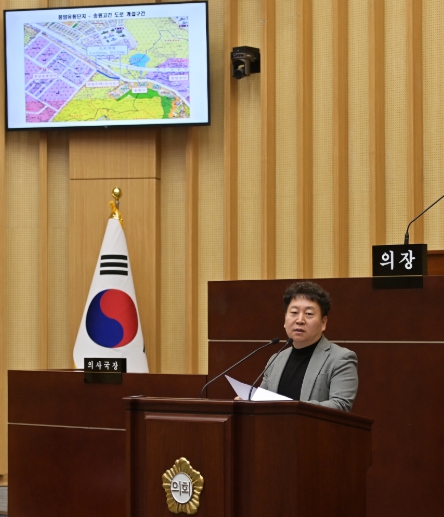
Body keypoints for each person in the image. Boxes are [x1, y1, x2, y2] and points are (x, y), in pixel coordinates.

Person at [260, 281, 358, 412]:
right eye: (294, 312)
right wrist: (247, 402)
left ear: (323, 322)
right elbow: (260, 401)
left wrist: (292, 408)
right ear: (285, 319)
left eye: (309, 314)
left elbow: (340, 405)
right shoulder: (276, 359)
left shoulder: (341, 359)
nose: (300, 320)